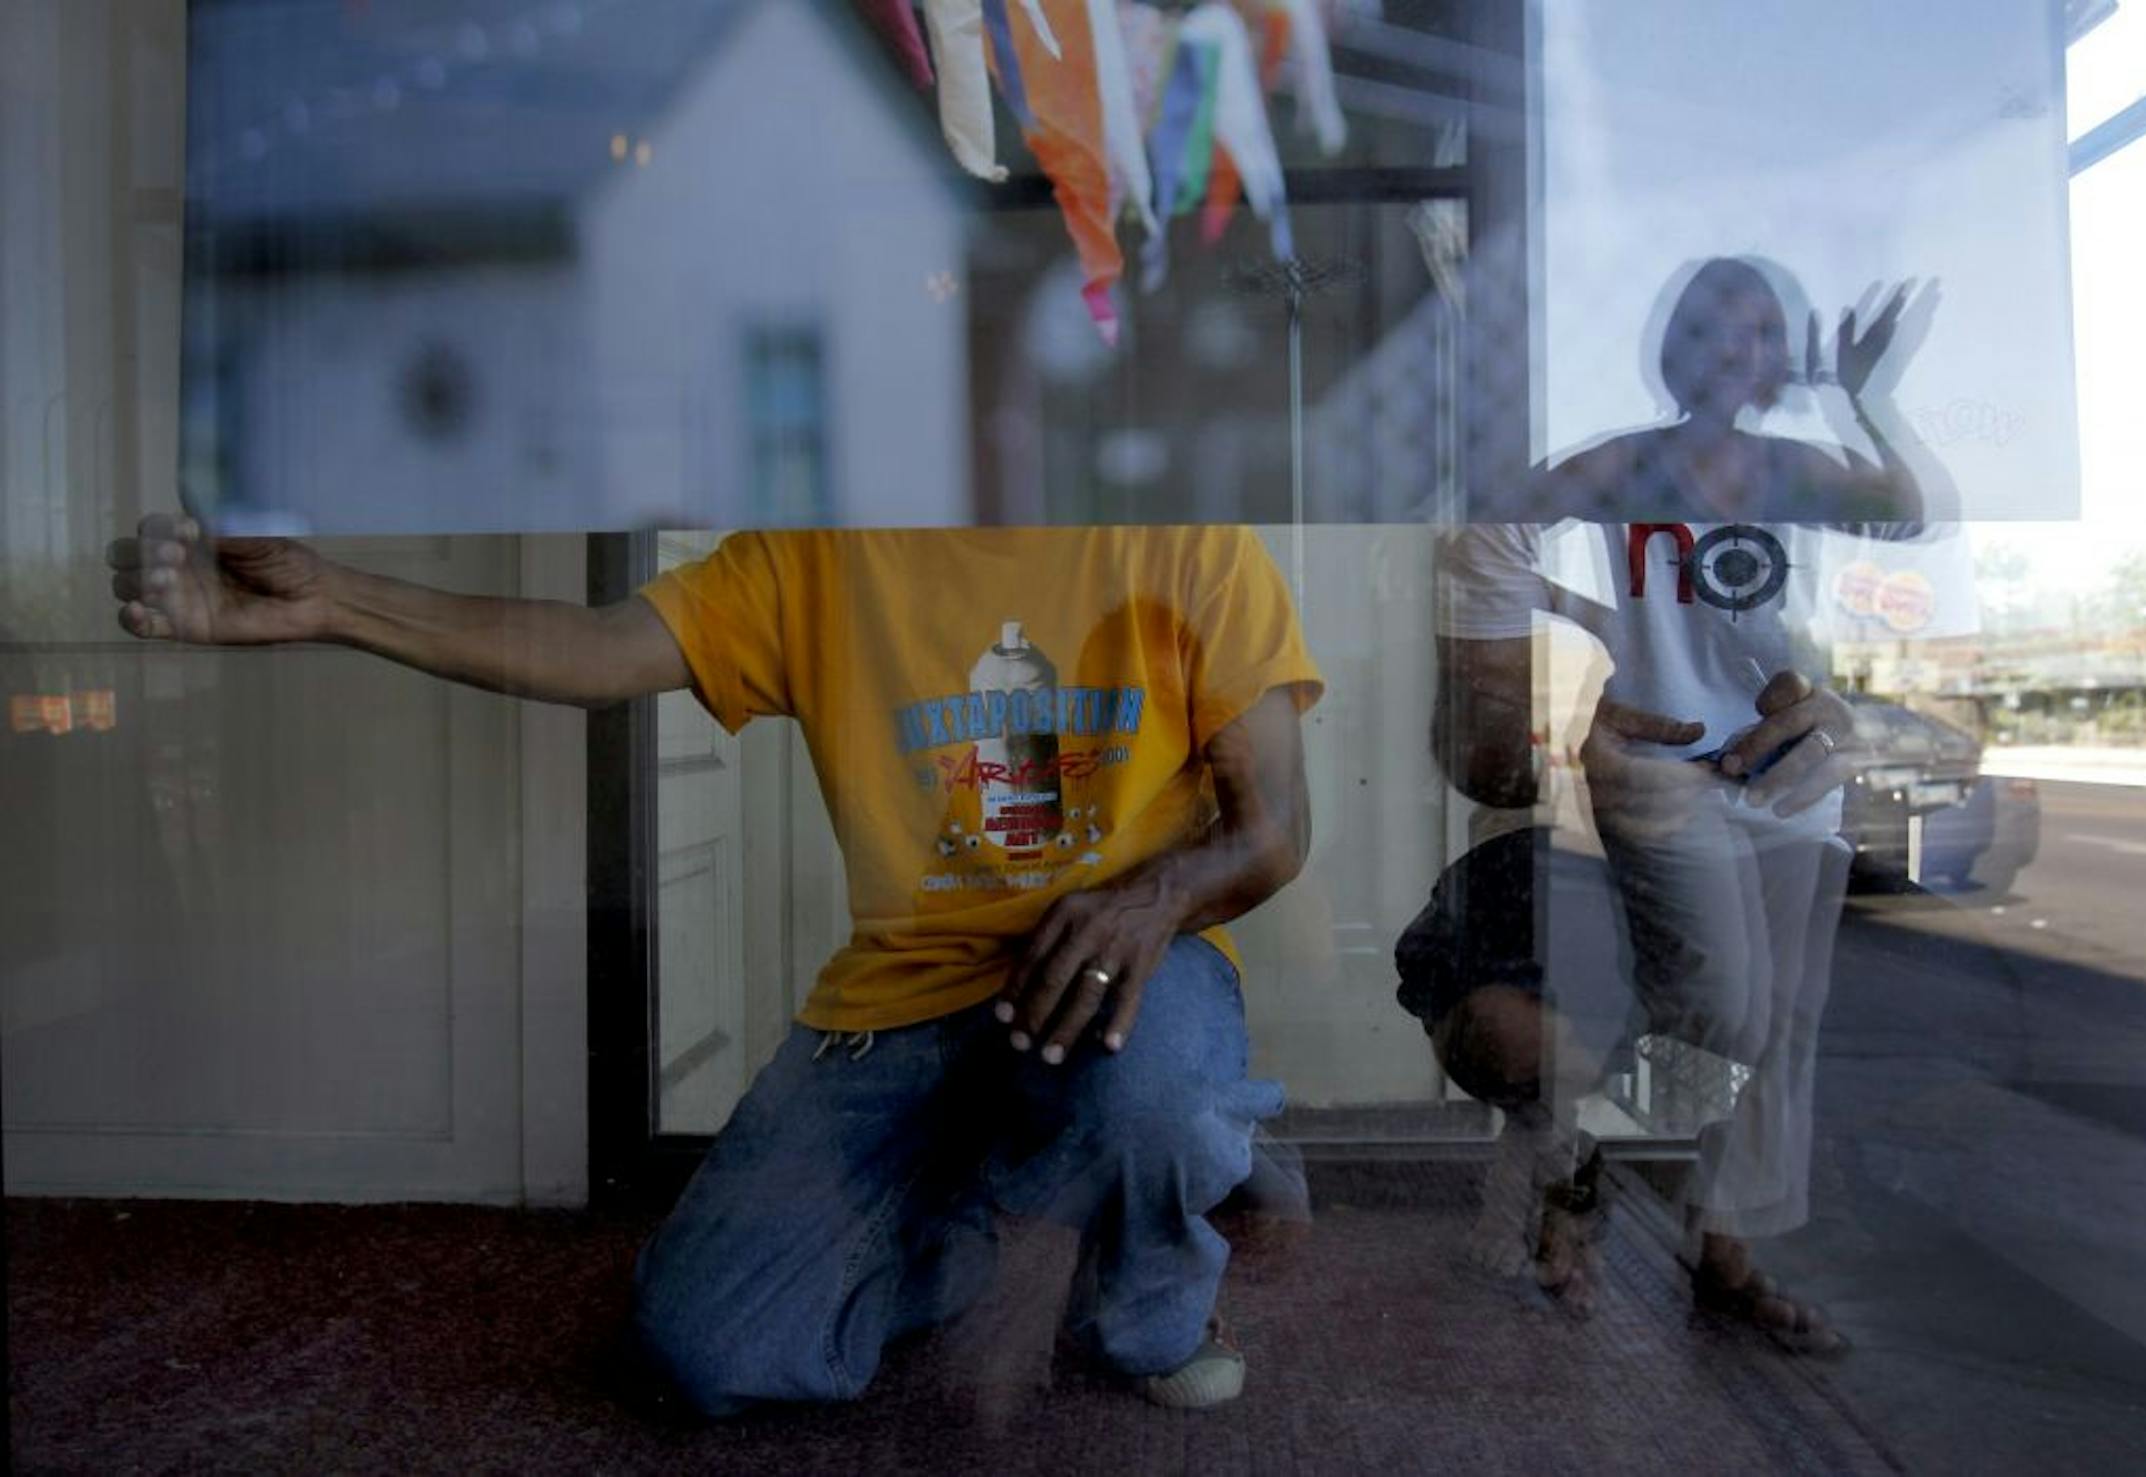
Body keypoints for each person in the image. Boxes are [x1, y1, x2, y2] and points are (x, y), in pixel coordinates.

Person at [107, 518, 1323, 1413]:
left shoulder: (1184, 534)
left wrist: (1149, 898)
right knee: (702, 1351)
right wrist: (331, 601)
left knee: (1152, 1088)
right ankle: (980, 1217)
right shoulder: (821, 550)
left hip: (1117, 984)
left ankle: (1150, 1294)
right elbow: (595, 646)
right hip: (899, 1013)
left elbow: (1274, 829)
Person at [1412, 256, 1947, 1351]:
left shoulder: (1792, 465)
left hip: (1789, 777)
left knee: (1779, 1035)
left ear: (1776, 356)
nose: (1729, 345)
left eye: (1757, 330)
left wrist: (1866, 398)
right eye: (1708, 323)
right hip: (1668, 774)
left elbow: (1911, 518)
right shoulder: (1626, 463)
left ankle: (1725, 1257)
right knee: (1723, 1013)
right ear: (1672, 346)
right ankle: (1582, 1172)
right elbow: (1483, 546)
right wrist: (1556, 700)